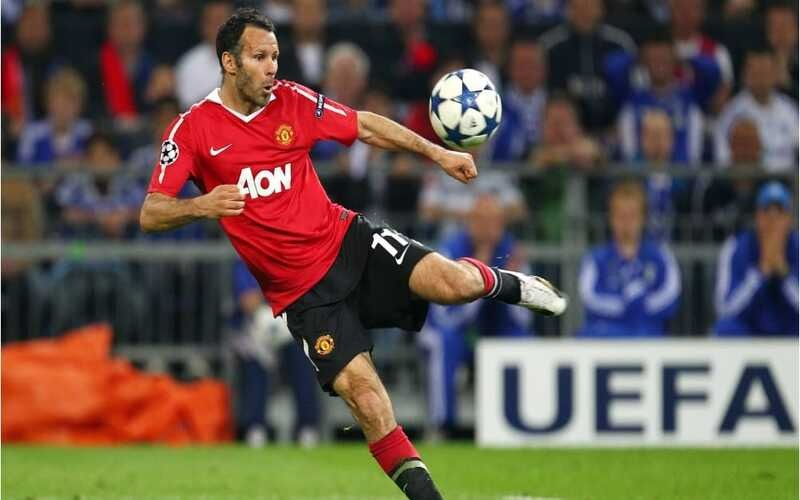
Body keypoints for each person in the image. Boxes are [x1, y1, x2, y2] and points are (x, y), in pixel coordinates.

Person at [138, 9, 567, 500]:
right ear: (229, 62)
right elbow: (151, 212)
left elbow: (364, 126)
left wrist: (439, 153)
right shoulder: (192, 129)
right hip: (305, 299)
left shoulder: (292, 101)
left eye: (275, 55)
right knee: (367, 401)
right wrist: (202, 205)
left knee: (456, 285)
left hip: (350, 244)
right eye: (259, 57)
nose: (272, 67)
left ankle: (515, 285)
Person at [418, 193, 533, 436]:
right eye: (481, 220)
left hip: (493, 328)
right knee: (443, 342)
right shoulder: (450, 250)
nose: (488, 228)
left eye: (494, 221)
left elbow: (524, 317)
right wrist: (477, 284)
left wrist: (515, 288)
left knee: (524, 340)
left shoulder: (511, 251)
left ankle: (523, 422)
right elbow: (444, 316)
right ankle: (442, 424)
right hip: (450, 328)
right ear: (470, 221)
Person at [231, 259, 320, 448]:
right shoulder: (249, 255)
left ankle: (307, 427)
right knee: (254, 359)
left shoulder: (294, 252)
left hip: (293, 320)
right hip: (256, 326)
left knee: (303, 360)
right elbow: (248, 300)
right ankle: (255, 427)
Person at [577, 180, 681, 337]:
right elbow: (589, 298)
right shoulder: (595, 259)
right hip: (605, 336)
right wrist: (624, 305)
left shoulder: (661, 256)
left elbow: (671, 296)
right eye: (621, 216)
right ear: (611, 218)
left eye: (632, 216)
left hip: (649, 335)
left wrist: (641, 305)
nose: (626, 223)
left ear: (643, 218)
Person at [714, 181, 799, 336]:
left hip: (790, 327)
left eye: (779, 212)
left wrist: (785, 275)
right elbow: (725, 308)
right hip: (750, 328)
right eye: (766, 212)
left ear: (789, 219)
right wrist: (759, 274)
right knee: (725, 329)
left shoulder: (797, 246)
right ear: (757, 217)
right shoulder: (736, 247)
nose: (772, 220)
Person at [538, 0, 636, 132]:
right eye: (578, 7)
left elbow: (633, 92)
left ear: (601, 9)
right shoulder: (550, 46)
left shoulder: (620, 44)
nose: (584, 13)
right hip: (565, 132)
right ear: (569, 10)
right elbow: (541, 93)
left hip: (613, 130)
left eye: (590, 7)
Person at [714, 48, 798, 173]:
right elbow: (722, 157)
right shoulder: (732, 112)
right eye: (756, 73)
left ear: (775, 75)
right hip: (751, 178)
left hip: (788, 179)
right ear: (745, 76)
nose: (761, 79)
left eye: (765, 72)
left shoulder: (790, 109)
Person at [175, 1, 233, 109]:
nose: (218, 27)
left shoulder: (253, 57)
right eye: (212, 22)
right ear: (203, 26)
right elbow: (187, 109)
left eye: (222, 21)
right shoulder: (189, 64)